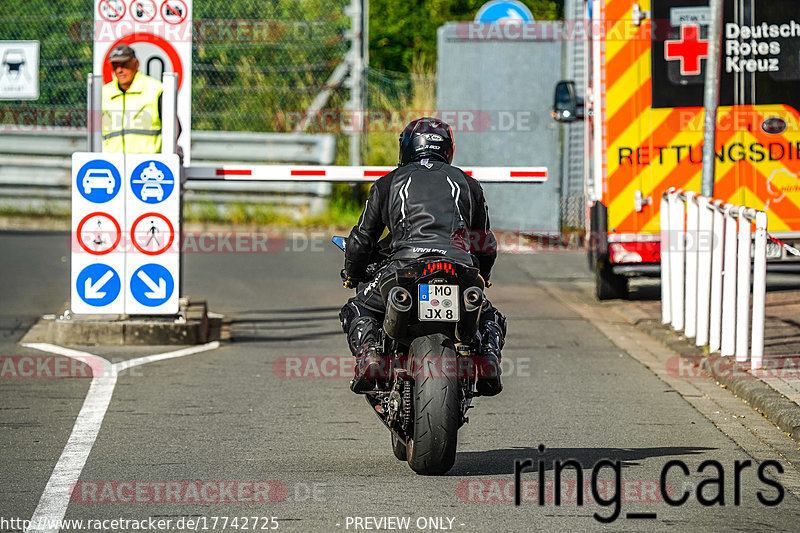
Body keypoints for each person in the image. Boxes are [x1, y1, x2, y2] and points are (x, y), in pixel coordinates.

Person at [339, 117, 507, 396]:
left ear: (406, 148)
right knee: (489, 315)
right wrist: (483, 276)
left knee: (359, 308)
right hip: (457, 266)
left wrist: (353, 273)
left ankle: (370, 354)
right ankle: (488, 358)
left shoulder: (388, 184)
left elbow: (362, 240)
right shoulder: (468, 184)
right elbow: (484, 242)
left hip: (405, 266)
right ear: (448, 149)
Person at [101, 44, 165, 153]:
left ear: (136, 64)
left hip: (147, 163)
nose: (119, 70)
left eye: (124, 64)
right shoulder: (105, 92)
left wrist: (171, 151)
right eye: (115, 66)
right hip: (113, 164)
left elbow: (174, 126)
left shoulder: (155, 89)